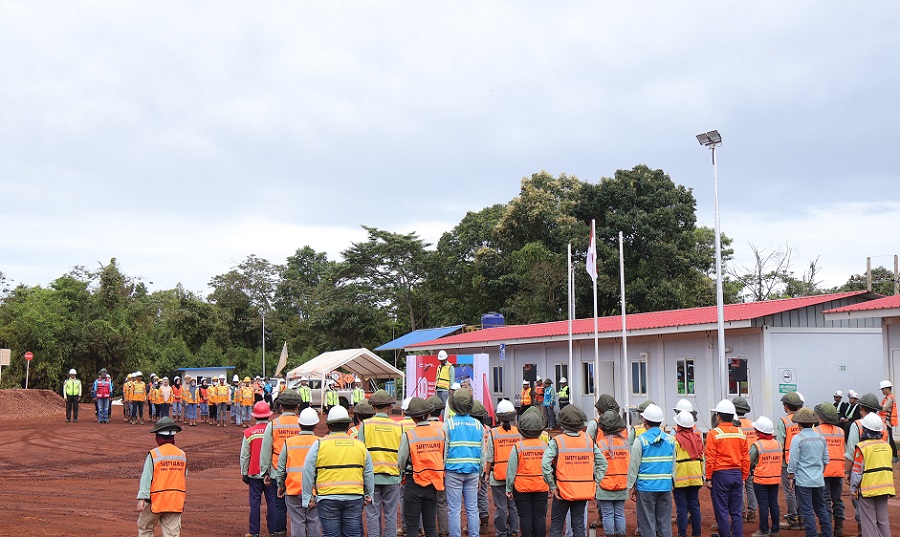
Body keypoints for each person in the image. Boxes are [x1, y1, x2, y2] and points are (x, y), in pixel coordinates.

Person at [302, 405, 375, 537]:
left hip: (327, 498)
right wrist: (369, 494)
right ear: (347, 425)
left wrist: (308, 496)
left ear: (329, 426)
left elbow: (307, 471)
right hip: (354, 497)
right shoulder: (360, 445)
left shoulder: (319, 444)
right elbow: (368, 472)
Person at [543, 404, 607, 537]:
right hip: (582, 491)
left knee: (557, 525)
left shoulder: (557, 441)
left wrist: (552, 486)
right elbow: (602, 462)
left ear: (562, 424)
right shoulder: (588, 440)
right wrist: (595, 482)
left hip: (562, 491)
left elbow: (545, 464)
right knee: (578, 525)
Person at [398, 397, 446, 537]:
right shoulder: (440, 433)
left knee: (412, 529)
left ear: (413, 417)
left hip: (414, 483)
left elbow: (401, 460)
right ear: (428, 414)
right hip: (433, 484)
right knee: (431, 528)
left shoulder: (410, 435)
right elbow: (443, 456)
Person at [358, 389, 402, 537]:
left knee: (372, 513)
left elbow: (360, 452)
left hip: (372, 477)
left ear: (373, 407)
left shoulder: (365, 425)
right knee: (391, 515)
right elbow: (402, 454)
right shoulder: (398, 426)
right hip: (393, 476)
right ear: (389, 407)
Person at [627, 403, 675, 537]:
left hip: (646, 489)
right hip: (665, 487)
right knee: (665, 524)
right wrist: (672, 483)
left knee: (647, 525)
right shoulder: (671, 440)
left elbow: (633, 467)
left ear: (644, 421)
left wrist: (631, 486)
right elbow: (673, 465)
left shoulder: (640, 441)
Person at [260, 389, 304, 536]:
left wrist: (265, 472)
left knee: (279, 506)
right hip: (300, 473)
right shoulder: (303, 424)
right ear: (297, 406)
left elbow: (266, 450)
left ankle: (280, 533)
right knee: (302, 507)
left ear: (280, 406)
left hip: (276, 471)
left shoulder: (273, 425)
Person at [843, 392, 888, 537]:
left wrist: (848, 473)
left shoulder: (857, 425)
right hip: (884, 480)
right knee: (882, 520)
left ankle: (863, 534)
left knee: (865, 516)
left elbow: (851, 452)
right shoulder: (883, 428)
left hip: (865, 481)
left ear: (862, 408)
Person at [705, 399, 750, 537]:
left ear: (718, 416)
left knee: (722, 511)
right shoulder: (741, 433)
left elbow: (710, 457)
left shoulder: (714, 433)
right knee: (736, 511)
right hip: (737, 474)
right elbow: (745, 458)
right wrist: (743, 476)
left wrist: (708, 477)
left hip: (721, 475)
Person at [136, 417, 187, 537]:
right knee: (172, 533)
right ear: (173, 438)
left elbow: (147, 477)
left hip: (156, 500)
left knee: (145, 527)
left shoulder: (154, 454)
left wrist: (142, 499)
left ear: (158, 438)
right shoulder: (182, 454)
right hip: (175, 500)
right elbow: (184, 474)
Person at [443, 388, 483, 537]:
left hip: (453, 472)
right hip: (472, 471)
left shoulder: (448, 424)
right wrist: (480, 474)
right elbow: (482, 454)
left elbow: (444, 450)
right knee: (472, 508)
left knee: (454, 509)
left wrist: (442, 471)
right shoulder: (478, 425)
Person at [277, 407, 322, 537]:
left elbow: (281, 468)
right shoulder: (321, 442)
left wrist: (280, 485)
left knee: (297, 523)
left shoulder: (289, 442)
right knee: (314, 522)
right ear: (315, 425)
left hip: (293, 489)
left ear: (299, 424)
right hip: (315, 490)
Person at [788, 407, 832, 537]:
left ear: (799, 423)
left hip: (803, 481)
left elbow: (793, 460)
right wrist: (819, 473)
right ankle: (827, 534)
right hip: (818, 481)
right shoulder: (820, 438)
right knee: (821, 508)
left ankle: (812, 535)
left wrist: (791, 476)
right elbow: (825, 459)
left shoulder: (798, 438)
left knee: (807, 510)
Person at [848, 413, 894, 537]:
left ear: (865, 429)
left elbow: (857, 471)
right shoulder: (887, 446)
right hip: (885, 488)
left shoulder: (862, 447)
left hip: (867, 489)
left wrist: (852, 489)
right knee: (883, 521)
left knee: (868, 522)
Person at [506, 407, 548, 537]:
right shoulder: (545, 446)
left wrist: (508, 487)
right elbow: (549, 468)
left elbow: (511, 469)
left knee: (525, 517)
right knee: (540, 516)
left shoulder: (518, 447)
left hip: (522, 487)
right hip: (541, 486)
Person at [484, 400, 521, 537]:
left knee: (500, 508)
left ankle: (501, 533)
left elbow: (489, 458)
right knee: (513, 506)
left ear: (498, 416)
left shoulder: (493, 433)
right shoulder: (518, 433)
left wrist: (487, 474)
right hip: (515, 477)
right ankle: (514, 532)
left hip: (498, 476)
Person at [242, 401, 278, 537]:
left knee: (255, 504)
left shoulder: (249, 432)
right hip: (271, 473)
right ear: (268, 415)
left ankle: (254, 532)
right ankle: (273, 531)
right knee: (273, 503)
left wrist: (244, 472)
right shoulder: (274, 430)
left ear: (255, 416)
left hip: (254, 474)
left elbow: (245, 455)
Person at [595, 410, 630, 537]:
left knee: (607, 514)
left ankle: (609, 534)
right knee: (620, 513)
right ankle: (621, 534)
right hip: (622, 483)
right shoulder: (625, 443)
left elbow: (596, 466)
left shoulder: (600, 444)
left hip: (605, 484)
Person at [813, 403, 846, 537]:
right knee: (837, 499)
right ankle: (839, 528)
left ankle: (826, 528)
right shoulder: (840, 431)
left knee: (824, 500)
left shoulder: (816, 431)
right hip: (839, 469)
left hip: (824, 470)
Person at [749, 416, 781, 537]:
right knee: (774, 504)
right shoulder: (778, 444)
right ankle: (775, 530)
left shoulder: (757, 445)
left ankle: (763, 530)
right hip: (775, 478)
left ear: (759, 431)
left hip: (761, 479)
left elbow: (750, 461)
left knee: (763, 505)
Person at [672, 411, 703, 537]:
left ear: (679, 426)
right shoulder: (698, 439)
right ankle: (697, 534)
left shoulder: (675, 440)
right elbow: (702, 459)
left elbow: (672, 461)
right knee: (694, 507)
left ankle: (682, 534)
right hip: (696, 478)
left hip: (680, 479)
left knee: (682, 509)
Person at [425, 394, 451, 537]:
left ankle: (423, 530)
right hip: (441, 472)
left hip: (424, 471)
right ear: (441, 411)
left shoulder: (423, 428)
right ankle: (443, 531)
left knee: (425, 503)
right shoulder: (445, 427)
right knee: (442, 502)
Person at [777, 391, 803, 531]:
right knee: (801, 491)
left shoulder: (784, 421)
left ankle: (793, 519)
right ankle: (802, 517)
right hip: (803, 462)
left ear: (786, 406)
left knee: (790, 491)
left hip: (787, 463)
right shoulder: (804, 420)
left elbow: (780, 443)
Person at [733, 396, 758, 524]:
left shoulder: (735, 426)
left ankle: (742, 512)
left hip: (739, 460)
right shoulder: (752, 424)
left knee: (740, 488)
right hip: (751, 460)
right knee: (750, 487)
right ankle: (752, 512)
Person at [877, 380, 897, 462]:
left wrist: (875, 405)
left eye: (883, 389)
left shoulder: (890, 398)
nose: (882, 391)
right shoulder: (887, 398)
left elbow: (883, 408)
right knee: (887, 438)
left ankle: (894, 456)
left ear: (887, 389)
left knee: (889, 439)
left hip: (887, 422)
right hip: (884, 422)